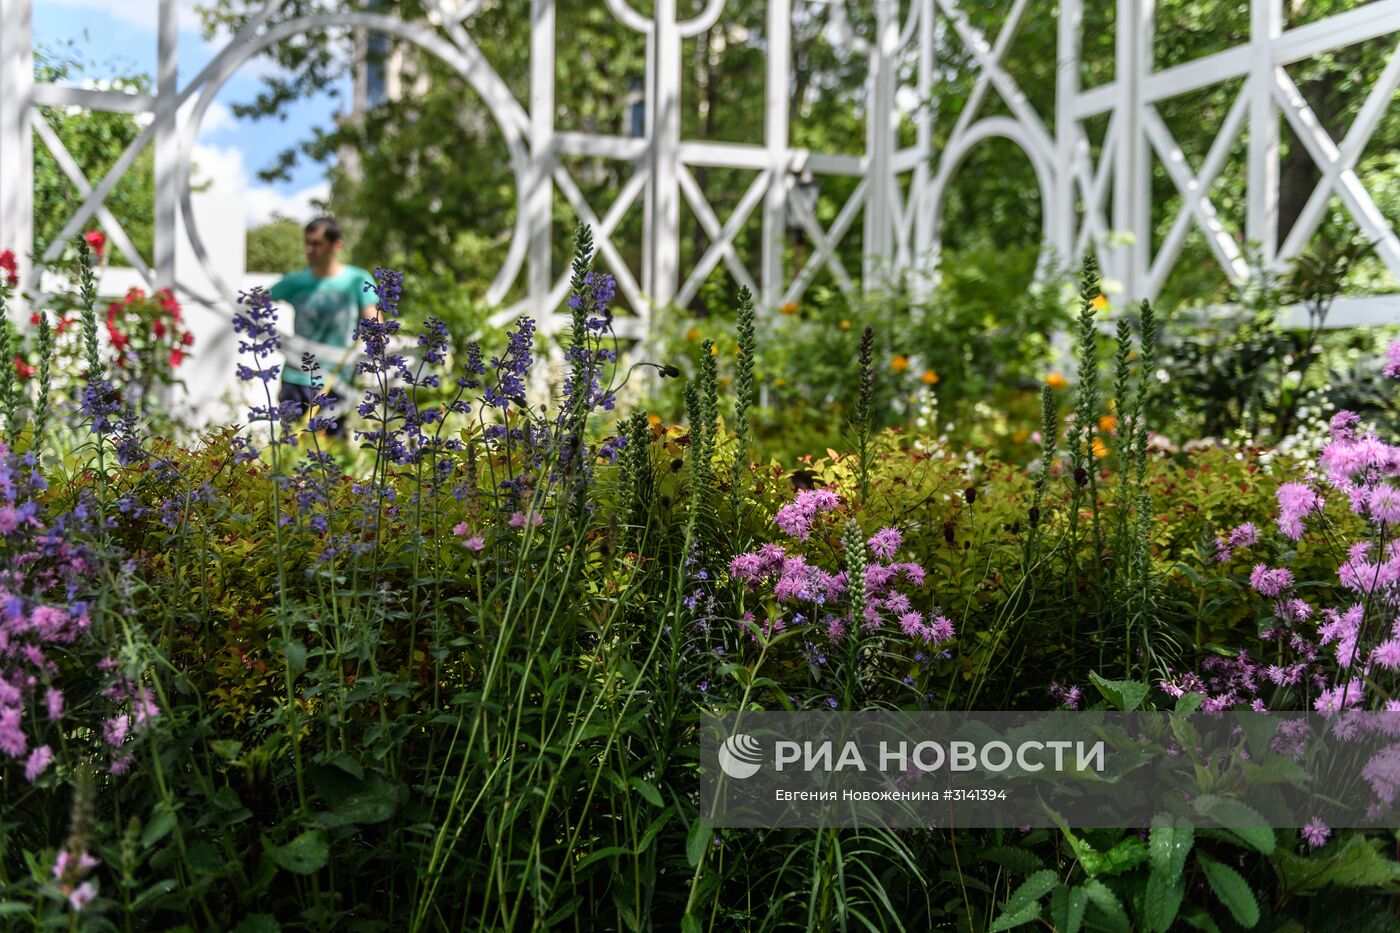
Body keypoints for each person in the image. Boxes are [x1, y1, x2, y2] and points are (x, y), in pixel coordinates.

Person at [268, 217, 379, 437]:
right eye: (307, 243)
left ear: (336, 245)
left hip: (335, 381)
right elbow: (253, 305)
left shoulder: (357, 280)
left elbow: (376, 325)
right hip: (295, 378)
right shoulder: (295, 282)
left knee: (327, 459)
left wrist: (375, 348)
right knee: (289, 448)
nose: (309, 250)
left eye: (317, 244)